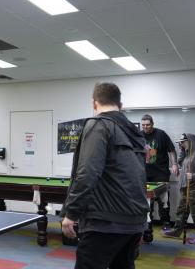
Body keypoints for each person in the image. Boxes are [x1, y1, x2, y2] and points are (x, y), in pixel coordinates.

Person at [61, 82, 149, 269]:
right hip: (135, 221)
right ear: (120, 105)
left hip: (105, 222)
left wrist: (71, 213)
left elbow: (87, 174)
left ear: (94, 103)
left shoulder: (98, 125)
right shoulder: (135, 133)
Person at [163, 133, 195, 244]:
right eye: (180, 143)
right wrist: (182, 150)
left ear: (190, 141)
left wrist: (192, 176)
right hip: (185, 187)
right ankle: (176, 231)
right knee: (181, 210)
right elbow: (179, 162)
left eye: (183, 142)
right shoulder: (188, 154)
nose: (181, 144)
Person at [141, 114, 179, 228]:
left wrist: (174, 164)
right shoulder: (139, 135)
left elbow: (171, 150)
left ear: (152, 124)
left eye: (148, 125)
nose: (145, 127)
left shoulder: (161, 134)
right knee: (148, 200)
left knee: (164, 200)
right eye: (143, 125)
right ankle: (148, 223)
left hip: (160, 173)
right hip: (145, 174)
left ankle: (166, 222)